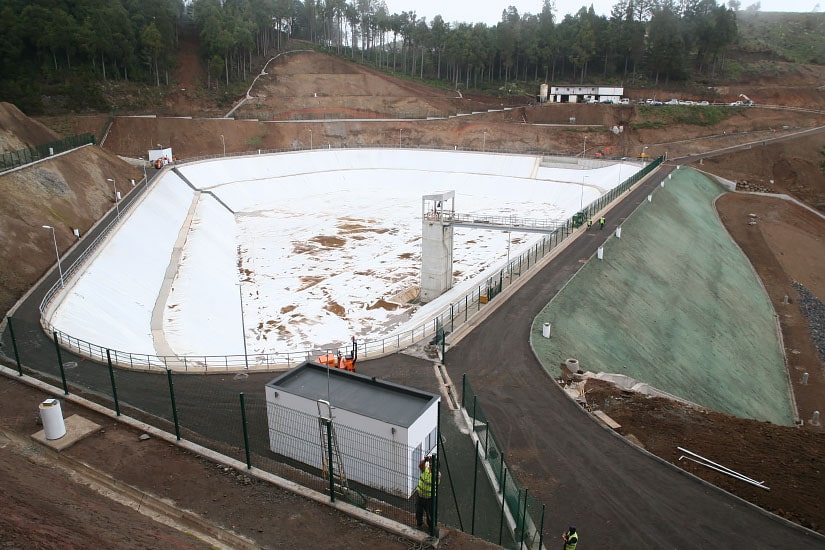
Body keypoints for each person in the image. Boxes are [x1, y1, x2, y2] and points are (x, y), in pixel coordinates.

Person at [415, 454, 440, 531]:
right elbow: (420, 465)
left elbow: (438, 476)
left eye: (433, 465)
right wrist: (425, 460)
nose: (431, 466)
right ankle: (419, 525)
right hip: (420, 496)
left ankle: (431, 529)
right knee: (418, 512)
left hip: (429, 499)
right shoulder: (425, 469)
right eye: (431, 465)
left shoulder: (437, 474)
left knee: (430, 515)